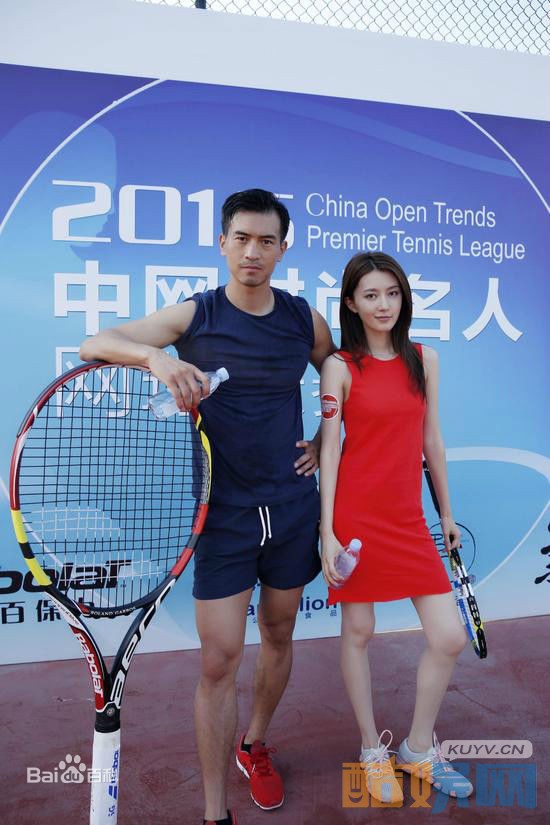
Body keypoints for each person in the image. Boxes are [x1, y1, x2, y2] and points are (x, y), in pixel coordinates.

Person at [80, 188, 335, 825]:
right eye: (241, 238)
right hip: (222, 515)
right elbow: (95, 342)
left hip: (293, 508)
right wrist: (155, 357)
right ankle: (214, 813)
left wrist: (327, 438)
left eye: (266, 241)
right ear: (223, 243)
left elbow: (341, 375)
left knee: (279, 632)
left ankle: (255, 744)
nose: (253, 252)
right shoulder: (198, 314)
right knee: (219, 661)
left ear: (283, 248)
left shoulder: (304, 320)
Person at [319, 252, 473, 804]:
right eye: (371, 295)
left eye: (392, 293)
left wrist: (446, 514)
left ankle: (417, 748)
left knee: (449, 636)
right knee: (358, 632)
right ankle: (370, 748)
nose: (383, 305)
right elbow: (330, 450)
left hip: (407, 519)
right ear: (351, 303)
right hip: (356, 518)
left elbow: (432, 441)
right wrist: (326, 532)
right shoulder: (338, 366)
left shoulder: (424, 359)